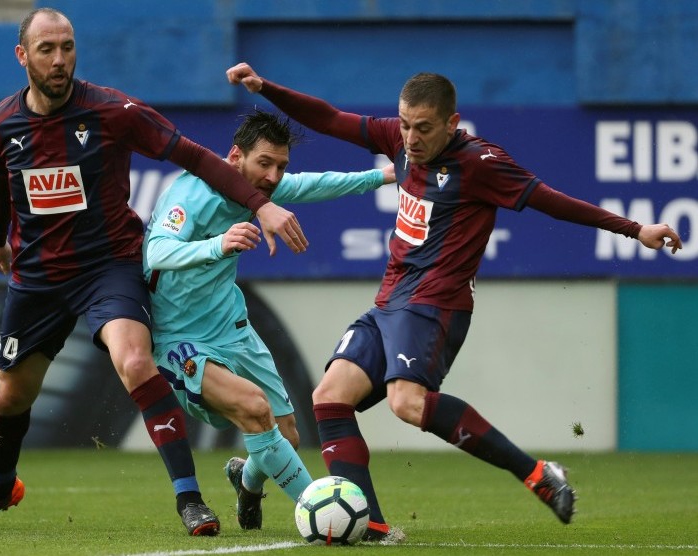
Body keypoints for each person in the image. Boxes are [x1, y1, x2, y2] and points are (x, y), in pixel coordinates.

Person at [226, 62, 683, 541]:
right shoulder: (397, 142)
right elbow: (327, 117)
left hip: (435, 303)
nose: (410, 138)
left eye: (423, 128)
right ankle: (373, 526)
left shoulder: (480, 164)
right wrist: (265, 88)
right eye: (404, 125)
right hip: (389, 301)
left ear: (451, 122)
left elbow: (552, 200)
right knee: (329, 398)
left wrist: (635, 230)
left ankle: (537, 474)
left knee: (407, 402)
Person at [0, 8, 310, 537]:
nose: (60, 59)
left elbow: (196, 156)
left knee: (136, 361)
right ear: (22, 56)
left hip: (108, 265)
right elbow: (3, 179)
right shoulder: (2, 122)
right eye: (47, 49)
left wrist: (262, 203)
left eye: (67, 46)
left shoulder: (113, 111)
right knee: (11, 396)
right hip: (39, 274)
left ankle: (190, 499)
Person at [144, 109, 395, 530]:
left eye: (281, 166)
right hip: (179, 338)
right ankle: (325, 513)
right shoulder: (190, 193)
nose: (274, 177)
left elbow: (316, 184)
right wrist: (219, 244)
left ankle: (247, 480)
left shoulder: (259, 189)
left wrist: (384, 177)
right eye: (265, 163)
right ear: (234, 156)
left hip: (233, 329)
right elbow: (156, 253)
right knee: (254, 409)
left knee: (286, 435)